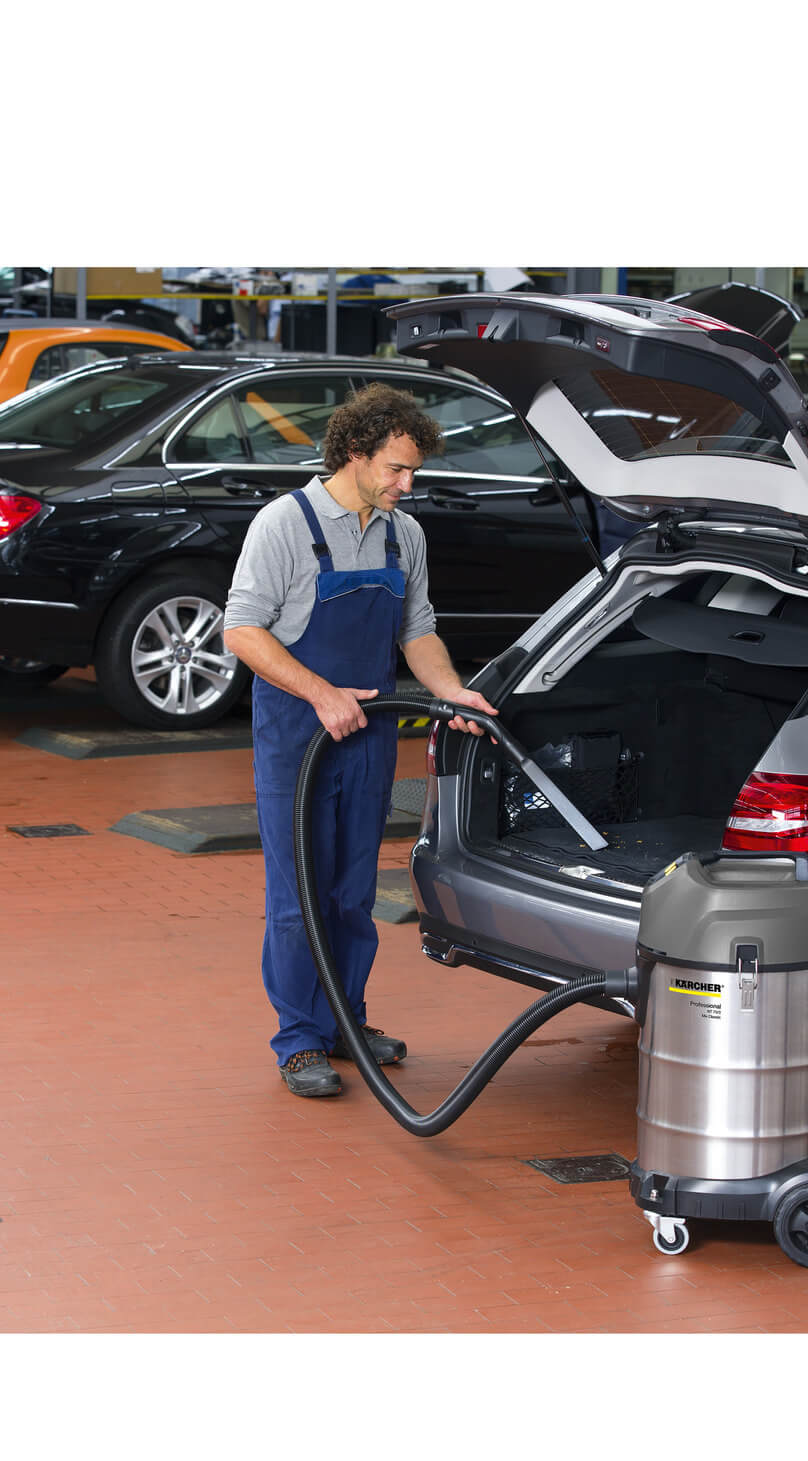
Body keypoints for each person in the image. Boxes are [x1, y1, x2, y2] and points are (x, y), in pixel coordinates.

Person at [223, 383, 498, 1099]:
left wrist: (451, 691)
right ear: (354, 452)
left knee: (353, 891)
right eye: (396, 469)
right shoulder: (283, 524)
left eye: (413, 472)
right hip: (297, 737)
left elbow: (417, 629)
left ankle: (345, 1019)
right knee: (298, 894)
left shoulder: (404, 534)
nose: (407, 485)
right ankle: (298, 1040)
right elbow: (242, 630)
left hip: (369, 738)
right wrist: (321, 693)